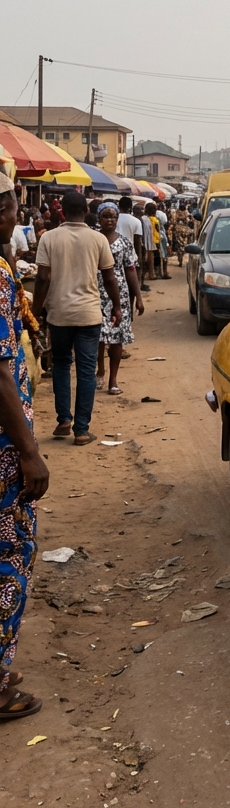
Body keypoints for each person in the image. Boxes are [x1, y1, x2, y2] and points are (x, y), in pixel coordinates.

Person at [0, 173, 51, 721]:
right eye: (16, 202)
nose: (20, 212)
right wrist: (29, 450)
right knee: (11, 554)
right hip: (5, 449)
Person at [31, 191, 120, 446]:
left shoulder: (49, 238)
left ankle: (63, 421)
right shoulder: (98, 239)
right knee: (86, 370)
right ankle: (81, 430)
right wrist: (116, 306)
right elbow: (110, 278)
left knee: (60, 364)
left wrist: (35, 313)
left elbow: (43, 279)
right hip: (89, 314)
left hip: (59, 314)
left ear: (62, 211)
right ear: (86, 211)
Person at [94, 203, 143, 395]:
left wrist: (138, 297)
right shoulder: (94, 240)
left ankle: (113, 380)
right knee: (97, 335)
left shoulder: (124, 243)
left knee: (116, 338)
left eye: (113, 217)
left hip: (118, 295)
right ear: (99, 218)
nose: (110, 220)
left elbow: (131, 270)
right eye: (106, 216)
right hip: (95, 291)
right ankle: (100, 370)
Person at [142, 202, 159, 282]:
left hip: (143, 239)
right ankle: (151, 274)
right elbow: (157, 230)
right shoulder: (155, 219)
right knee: (150, 256)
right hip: (151, 239)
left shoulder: (143, 218)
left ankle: (145, 274)